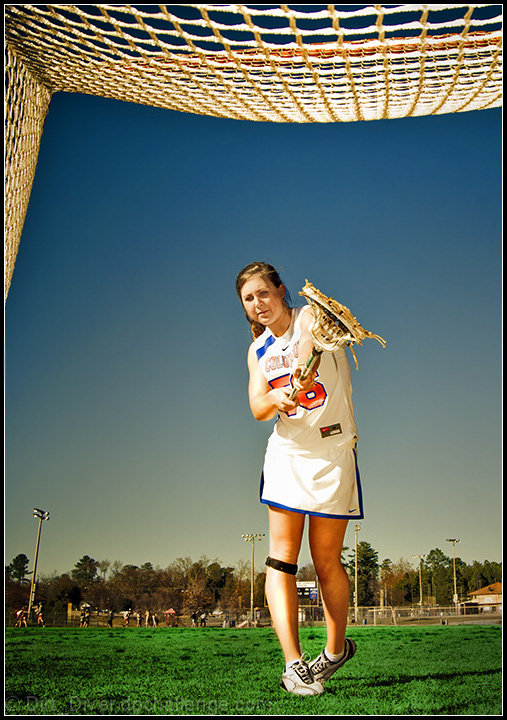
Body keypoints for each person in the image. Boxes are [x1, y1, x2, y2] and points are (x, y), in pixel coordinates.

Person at [236, 262, 361, 697]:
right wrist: (276, 395)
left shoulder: (309, 317)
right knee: (280, 560)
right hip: (288, 453)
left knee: (326, 562)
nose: (258, 304)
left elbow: (326, 335)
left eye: (263, 294)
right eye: (249, 300)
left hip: (333, 451)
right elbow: (257, 406)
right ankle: (293, 664)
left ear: (281, 291)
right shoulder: (257, 351)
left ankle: (333, 652)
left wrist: (318, 340)